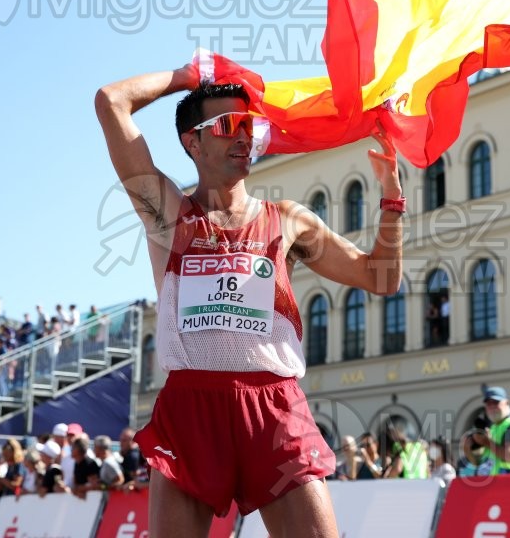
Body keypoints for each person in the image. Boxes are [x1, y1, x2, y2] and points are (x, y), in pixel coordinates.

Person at [95, 64, 403, 537]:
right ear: (192, 143)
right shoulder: (169, 213)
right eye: (226, 127)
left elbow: (379, 278)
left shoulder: (287, 220)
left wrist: (391, 200)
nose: (244, 138)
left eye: (250, 126)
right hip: (191, 409)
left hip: (274, 408)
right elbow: (111, 100)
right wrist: (186, 75)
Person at [468, 387, 510, 475]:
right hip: (494, 482)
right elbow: (479, 460)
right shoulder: (493, 427)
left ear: (507, 403)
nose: (492, 407)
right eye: (489, 404)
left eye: (496, 402)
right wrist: (470, 446)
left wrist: (487, 442)